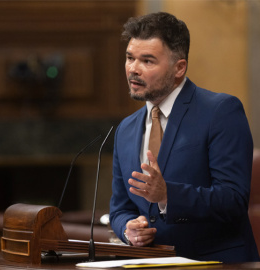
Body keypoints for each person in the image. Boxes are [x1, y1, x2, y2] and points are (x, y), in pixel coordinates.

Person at [109, 12, 259, 263]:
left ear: (179, 67)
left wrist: (168, 195)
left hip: (215, 264)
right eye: (129, 58)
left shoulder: (221, 111)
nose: (133, 69)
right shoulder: (125, 128)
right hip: (150, 263)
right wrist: (128, 229)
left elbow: (233, 200)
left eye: (147, 61)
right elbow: (120, 208)